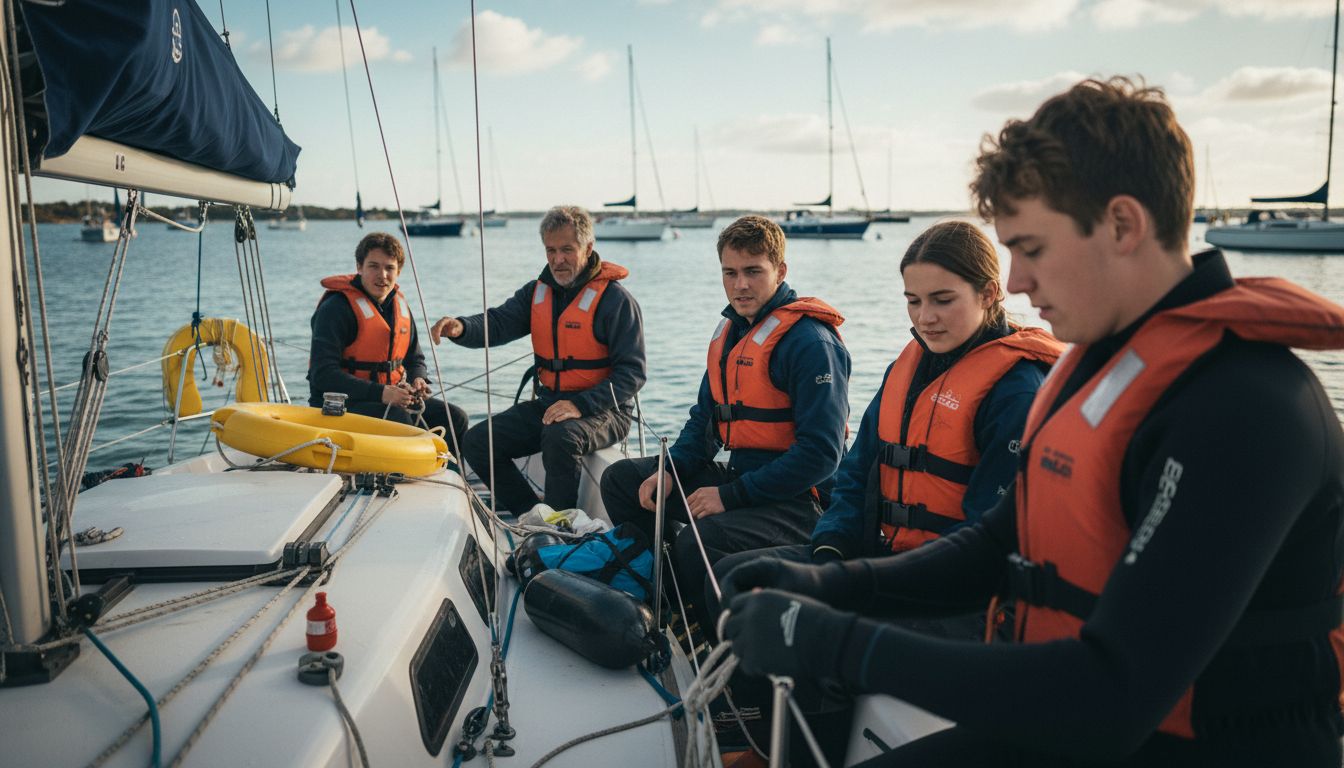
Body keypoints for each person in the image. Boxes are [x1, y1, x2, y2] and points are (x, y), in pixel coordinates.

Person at [721, 77, 1344, 767]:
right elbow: (1000, 539)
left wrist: (834, 643)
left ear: (1122, 225)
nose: (1014, 281)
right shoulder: (1100, 367)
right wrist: (829, 584)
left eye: (1033, 248)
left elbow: (1115, 691)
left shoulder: (1245, 408)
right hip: (1071, 722)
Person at [703, 220, 1062, 765]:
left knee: (809, 629)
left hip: (962, 597)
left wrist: (855, 588)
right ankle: (759, 738)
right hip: (885, 558)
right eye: (913, 301)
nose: (924, 317)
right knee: (742, 578)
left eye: (942, 300)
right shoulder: (908, 366)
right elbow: (855, 473)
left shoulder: (1015, 392)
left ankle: (803, 756)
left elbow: (985, 545)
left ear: (989, 293)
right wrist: (830, 551)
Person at [600, 214, 851, 635]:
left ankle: (718, 643)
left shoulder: (811, 342)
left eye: (753, 271)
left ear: (780, 271)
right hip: (743, 479)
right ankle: (670, 605)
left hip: (803, 501)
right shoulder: (732, 334)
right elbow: (704, 421)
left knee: (699, 540)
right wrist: (669, 470)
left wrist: (729, 496)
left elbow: (822, 455)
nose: (740, 285)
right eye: (730, 273)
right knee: (623, 481)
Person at [431, 205, 644, 514]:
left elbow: (632, 374)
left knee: (561, 436)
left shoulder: (616, 300)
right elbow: (498, 322)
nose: (558, 259)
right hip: (550, 403)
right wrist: (461, 328)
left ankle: (560, 525)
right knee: (478, 442)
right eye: (551, 250)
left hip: (605, 410)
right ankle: (533, 514)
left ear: (588, 248)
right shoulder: (536, 293)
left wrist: (579, 405)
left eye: (567, 250)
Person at [309, 231, 469, 442]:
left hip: (390, 399)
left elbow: (415, 359)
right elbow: (322, 375)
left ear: (398, 271)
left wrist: (418, 379)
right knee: (399, 420)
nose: (382, 275)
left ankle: (444, 464)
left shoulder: (400, 307)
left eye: (389, 268)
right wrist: (381, 393)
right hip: (341, 404)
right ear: (359, 267)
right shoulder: (336, 309)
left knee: (455, 418)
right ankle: (406, 464)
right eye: (373, 266)